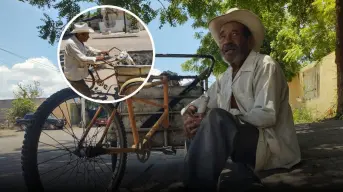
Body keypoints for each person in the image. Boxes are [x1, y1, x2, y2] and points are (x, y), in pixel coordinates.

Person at [166, 8, 301, 192]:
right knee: (197, 126)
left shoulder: (265, 65)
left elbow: (267, 115)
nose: (227, 41)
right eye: (222, 36)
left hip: (269, 147)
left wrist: (226, 117)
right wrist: (190, 111)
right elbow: (204, 100)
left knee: (216, 119)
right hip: (243, 146)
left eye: (234, 34)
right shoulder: (225, 77)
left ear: (248, 40)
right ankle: (194, 183)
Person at [63, 22, 109, 97]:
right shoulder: (71, 43)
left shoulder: (79, 41)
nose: (88, 37)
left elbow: (89, 49)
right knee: (86, 93)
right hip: (74, 74)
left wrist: (101, 51)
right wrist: (98, 58)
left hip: (79, 69)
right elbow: (82, 58)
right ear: (80, 34)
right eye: (87, 35)